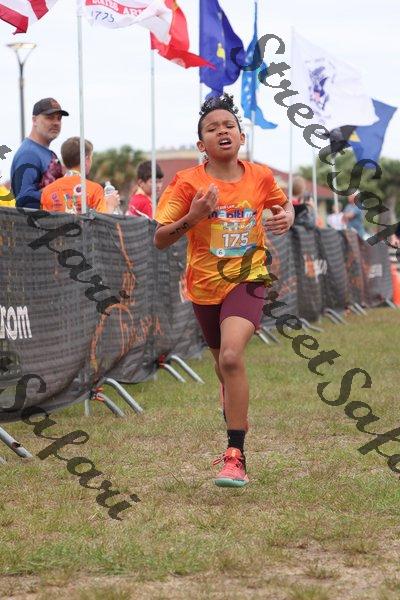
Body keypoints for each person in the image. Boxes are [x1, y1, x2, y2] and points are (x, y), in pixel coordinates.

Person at [154, 94, 294, 488]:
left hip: (249, 278)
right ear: (202, 144)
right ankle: (231, 398)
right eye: (212, 128)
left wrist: (286, 216)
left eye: (229, 125)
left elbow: (284, 205)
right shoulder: (187, 183)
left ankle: (236, 455)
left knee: (232, 357)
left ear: (241, 136)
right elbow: (160, 238)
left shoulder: (260, 177)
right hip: (204, 287)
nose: (222, 131)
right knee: (222, 366)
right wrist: (194, 216)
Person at [11, 98, 69, 209]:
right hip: (35, 220)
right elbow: (24, 199)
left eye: (59, 118)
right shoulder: (29, 154)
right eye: (49, 117)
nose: (56, 123)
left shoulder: (46, 153)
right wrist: (58, 193)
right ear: (34, 120)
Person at [41, 137, 120, 214]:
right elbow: (103, 221)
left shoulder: (47, 191)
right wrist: (110, 205)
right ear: (86, 160)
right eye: (91, 158)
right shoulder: (95, 189)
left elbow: (45, 221)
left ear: (64, 162)